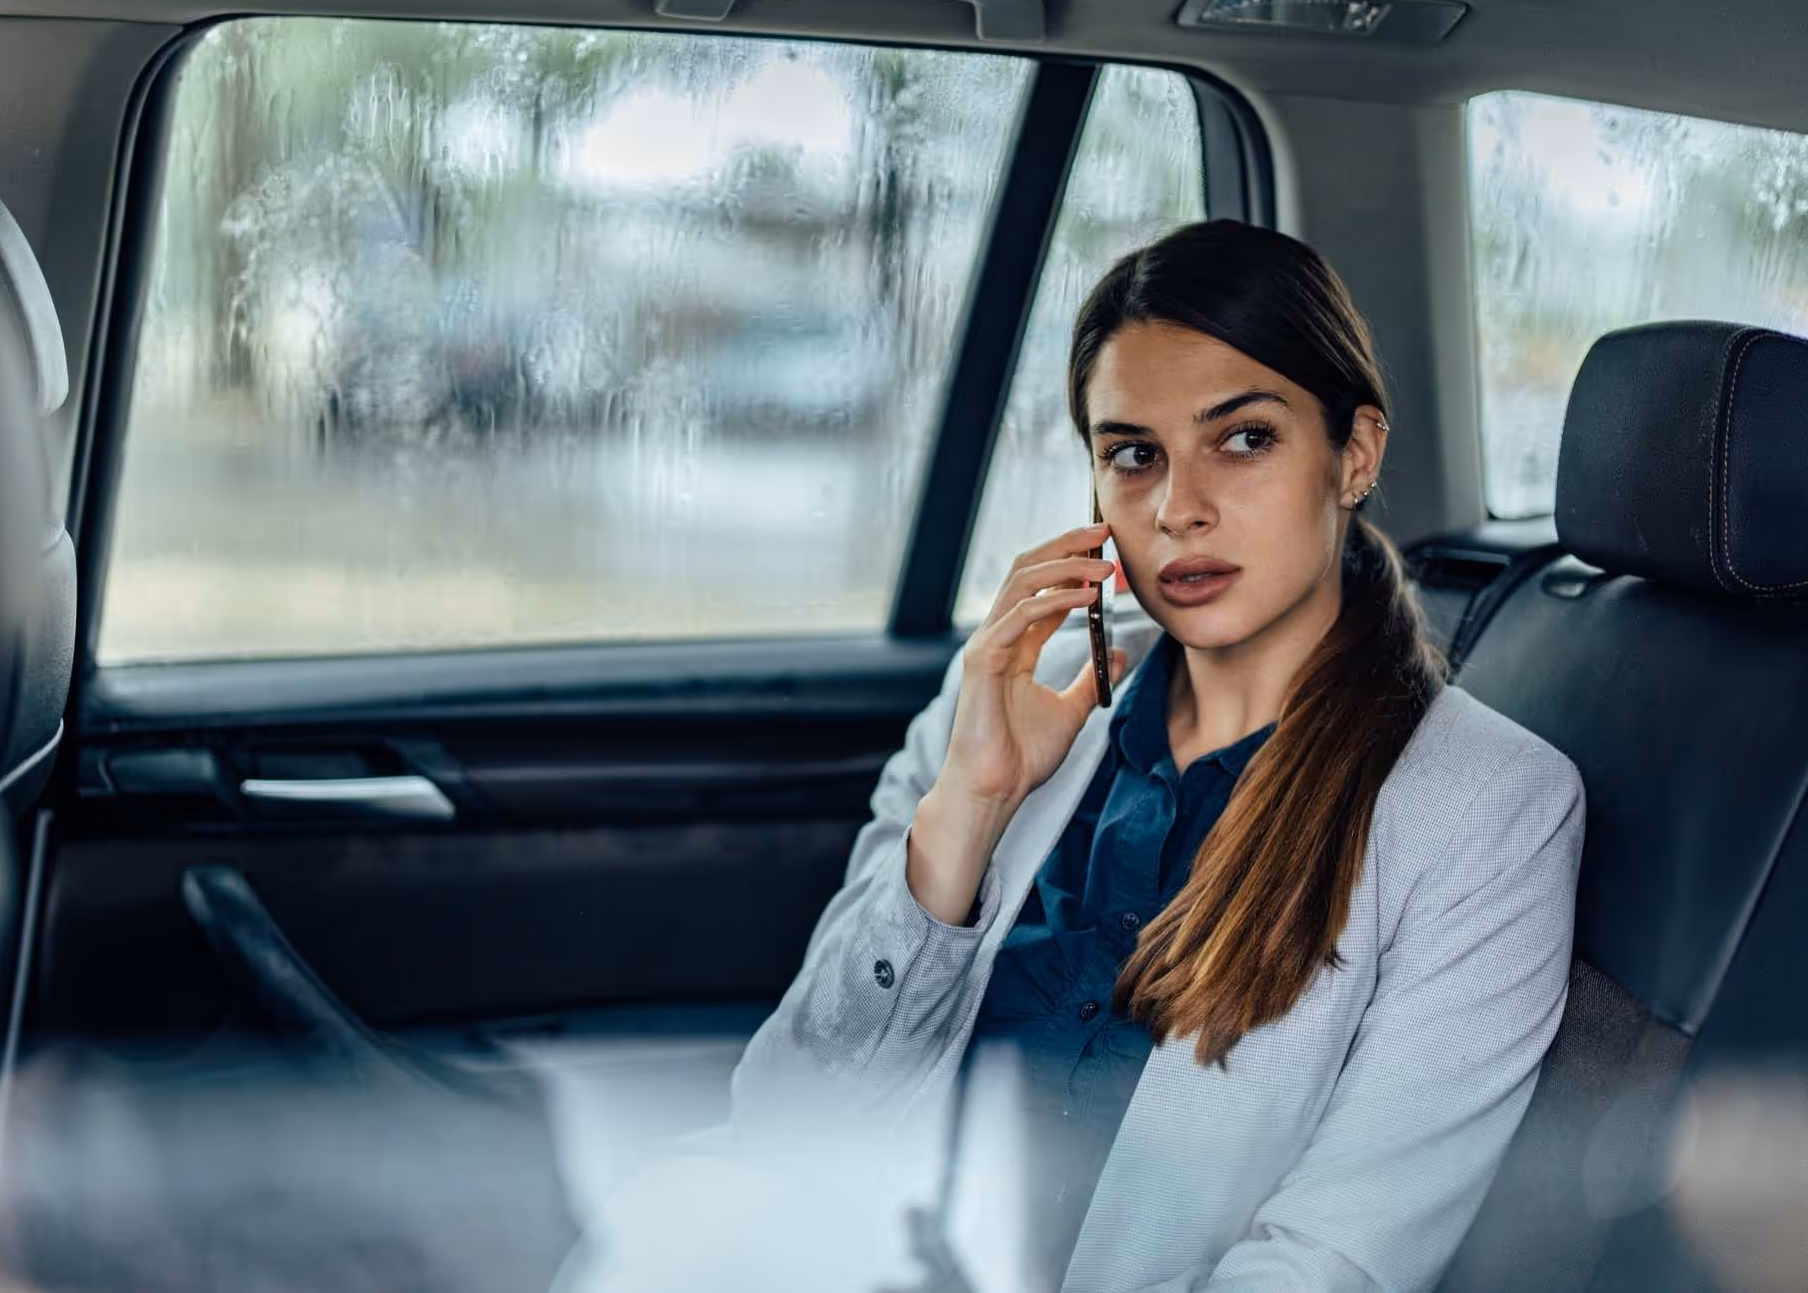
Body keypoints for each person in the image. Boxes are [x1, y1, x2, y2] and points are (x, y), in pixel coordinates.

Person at [560, 220, 1587, 1293]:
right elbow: (787, 1117)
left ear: (1355, 455)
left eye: (1243, 439)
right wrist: (968, 807)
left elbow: (1330, 1265)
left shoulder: (1490, 808)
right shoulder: (1011, 702)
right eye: (1133, 454)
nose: (1177, 508)